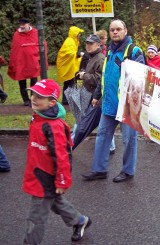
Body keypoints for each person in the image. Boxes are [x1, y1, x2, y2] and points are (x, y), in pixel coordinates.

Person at [22, 79, 91, 244]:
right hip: (37, 172)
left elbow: (62, 155)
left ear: (52, 102)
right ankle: (79, 221)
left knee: (36, 218)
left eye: (40, 96)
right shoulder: (37, 117)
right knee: (55, 202)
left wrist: (62, 180)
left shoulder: (53, 126)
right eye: (33, 94)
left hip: (45, 178)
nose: (34, 98)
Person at [81, 19, 145, 183]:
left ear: (125, 30)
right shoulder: (109, 51)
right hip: (109, 103)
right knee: (102, 136)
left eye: (118, 29)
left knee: (128, 140)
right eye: (112, 30)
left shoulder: (134, 51)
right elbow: (104, 77)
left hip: (127, 106)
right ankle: (99, 169)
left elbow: (140, 80)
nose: (115, 32)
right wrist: (96, 95)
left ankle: (128, 171)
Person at [7, 18, 47, 106]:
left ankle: (33, 98)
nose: (21, 27)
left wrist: (40, 60)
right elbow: (15, 49)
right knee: (22, 82)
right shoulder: (17, 35)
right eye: (20, 25)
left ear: (28, 24)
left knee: (34, 81)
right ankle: (26, 100)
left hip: (33, 62)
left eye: (23, 25)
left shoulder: (36, 33)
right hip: (21, 63)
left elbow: (42, 46)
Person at [56, 26, 84, 105]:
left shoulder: (73, 41)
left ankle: (66, 100)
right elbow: (69, 53)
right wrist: (79, 54)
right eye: (79, 33)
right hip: (66, 65)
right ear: (75, 34)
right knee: (71, 81)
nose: (80, 35)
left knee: (69, 81)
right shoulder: (70, 41)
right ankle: (68, 99)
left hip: (69, 65)